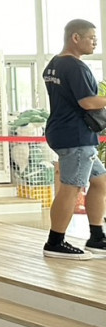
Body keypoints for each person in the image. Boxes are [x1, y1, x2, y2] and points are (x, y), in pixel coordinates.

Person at [41, 18, 106, 260]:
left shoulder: (53, 65)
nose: (95, 43)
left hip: (66, 132)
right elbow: (88, 102)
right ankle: (55, 242)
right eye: (91, 38)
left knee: (100, 182)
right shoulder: (76, 67)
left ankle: (97, 237)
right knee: (71, 187)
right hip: (75, 136)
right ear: (75, 38)